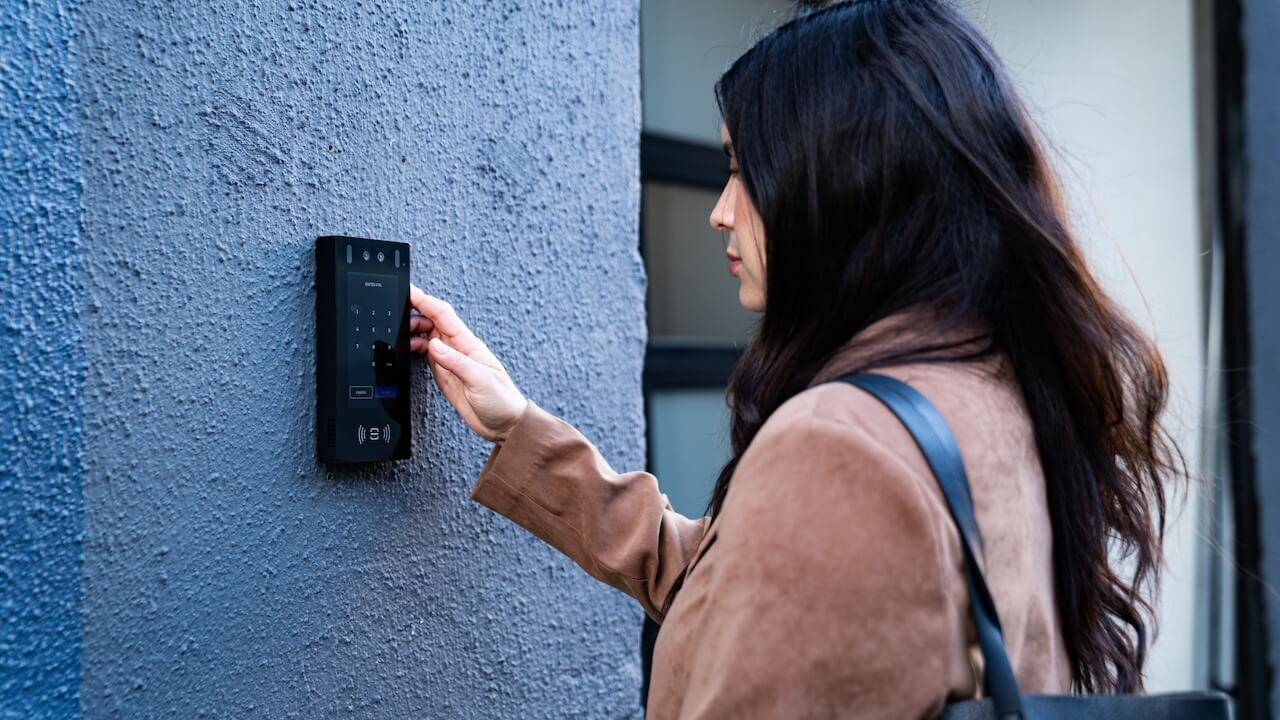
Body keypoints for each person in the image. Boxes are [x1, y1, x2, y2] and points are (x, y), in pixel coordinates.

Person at [407, 0, 1182, 716]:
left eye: (743, 169)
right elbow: (732, 587)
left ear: (847, 180)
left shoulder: (843, 445)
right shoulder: (984, 386)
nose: (719, 210)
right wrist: (522, 431)